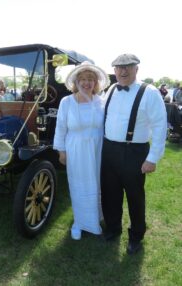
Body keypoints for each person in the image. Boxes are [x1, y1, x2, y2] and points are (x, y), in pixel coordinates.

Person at [101, 54, 167, 254]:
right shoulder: (111, 89)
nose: (123, 71)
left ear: (137, 69)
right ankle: (113, 228)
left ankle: (136, 236)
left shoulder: (150, 92)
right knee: (109, 193)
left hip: (134, 152)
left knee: (135, 197)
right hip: (109, 149)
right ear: (114, 71)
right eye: (119, 68)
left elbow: (160, 126)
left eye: (128, 67)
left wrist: (152, 158)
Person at [53, 61, 110, 240]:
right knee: (79, 185)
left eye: (91, 79)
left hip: (97, 149)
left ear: (96, 82)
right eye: (83, 79)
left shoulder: (101, 101)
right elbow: (61, 127)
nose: (87, 83)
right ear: (76, 81)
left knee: (98, 184)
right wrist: (61, 151)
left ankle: (96, 218)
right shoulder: (66, 102)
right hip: (76, 149)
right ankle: (80, 222)